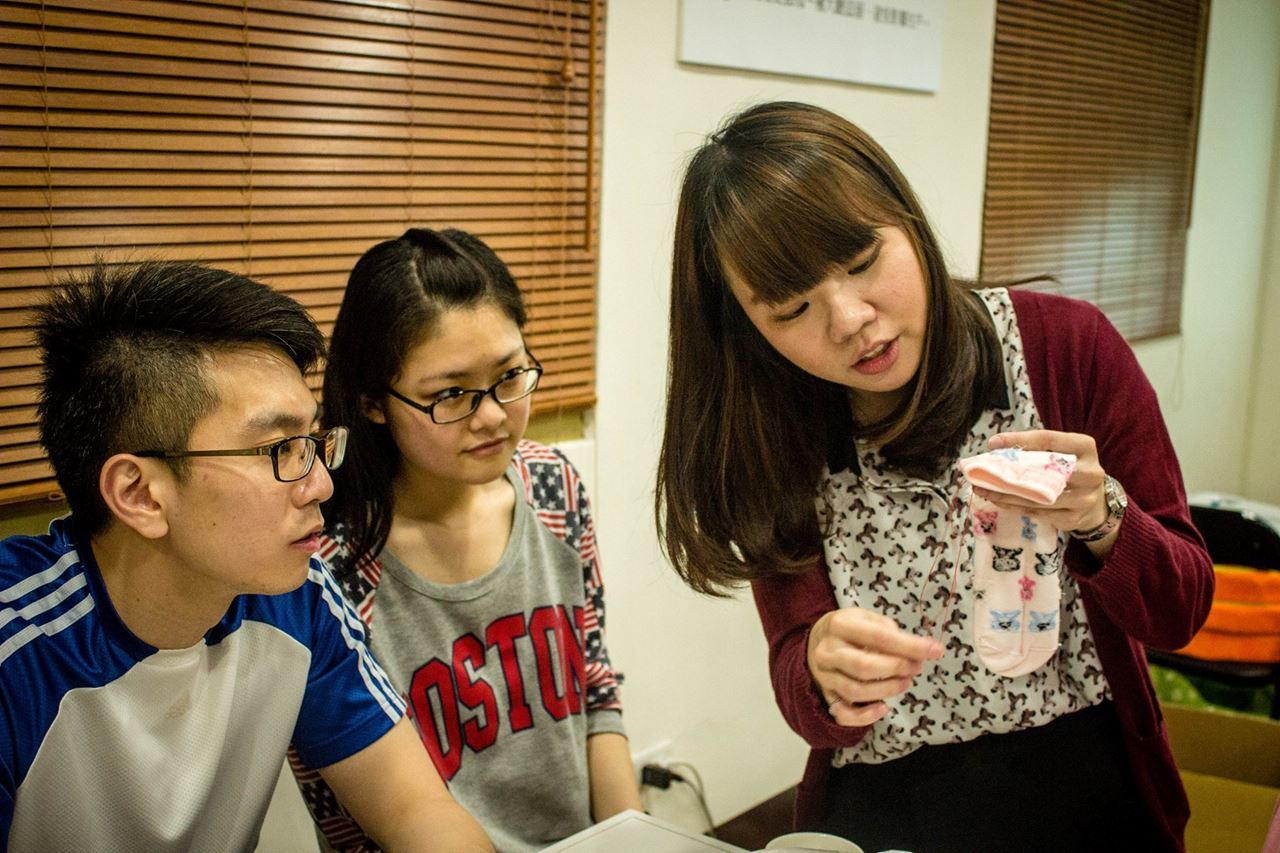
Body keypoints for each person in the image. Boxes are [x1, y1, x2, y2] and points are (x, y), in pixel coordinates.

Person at [656, 101, 1214, 852]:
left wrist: (1104, 516)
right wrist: (821, 666)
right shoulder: (774, 427)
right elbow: (800, 680)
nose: (850, 319)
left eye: (862, 262)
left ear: (907, 219)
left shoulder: (1065, 348)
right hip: (892, 803)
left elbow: (1181, 609)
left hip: (1088, 781)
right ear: (747, 326)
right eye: (792, 308)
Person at [0, 261, 493, 852]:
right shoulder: (17, 655)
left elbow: (416, 809)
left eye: (313, 442)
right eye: (280, 449)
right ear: (139, 494)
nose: (321, 485)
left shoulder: (298, 595)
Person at [289, 227, 641, 852]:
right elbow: (343, 814)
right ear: (373, 402)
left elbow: (595, 688)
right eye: (450, 394)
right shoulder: (325, 565)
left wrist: (632, 838)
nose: (493, 415)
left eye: (510, 375)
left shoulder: (551, 487)